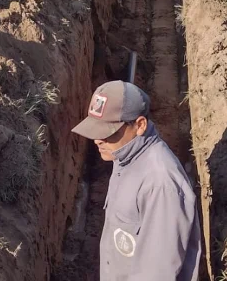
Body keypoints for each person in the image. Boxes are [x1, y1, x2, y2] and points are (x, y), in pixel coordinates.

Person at [72, 80, 201, 281]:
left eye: (108, 132)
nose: (97, 140)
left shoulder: (161, 185)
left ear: (139, 125)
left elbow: (157, 273)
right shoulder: (124, 155)